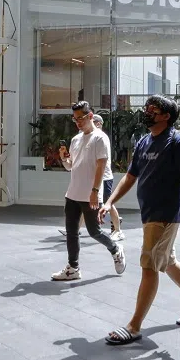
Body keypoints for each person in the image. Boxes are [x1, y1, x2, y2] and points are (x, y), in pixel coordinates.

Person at [99, 95, 180, 345]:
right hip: (149, 213)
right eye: (147, 108)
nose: (147, 112)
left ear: (166, 116)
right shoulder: (144, 141)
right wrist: (109, 201)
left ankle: (134, 326)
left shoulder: (178, 141)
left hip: (165, 214)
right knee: (168, 261)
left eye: (153, 110)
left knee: (149, 265)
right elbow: (130, 176)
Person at [52, 102, 125, 281]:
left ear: (90, 116)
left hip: (91, 194)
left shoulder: (100, 138)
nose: (78, 122)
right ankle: (73, 268)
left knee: (94, 231)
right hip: (72, 194)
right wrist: (64, 159)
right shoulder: (75, 140)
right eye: (75, 119)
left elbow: (101, 166)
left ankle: (115, 249)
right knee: (71, 232)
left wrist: (95, 191)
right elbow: (71, 167)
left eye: (81, 118)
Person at [94, 114, 124, 242]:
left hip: (105, 177)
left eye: (93, 122)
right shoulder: (92, 137)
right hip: (97, 176)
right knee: (88, 203)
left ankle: (118, 230)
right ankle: (75, 230)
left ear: (99, 124)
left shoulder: (102, 137)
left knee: (108, 203)